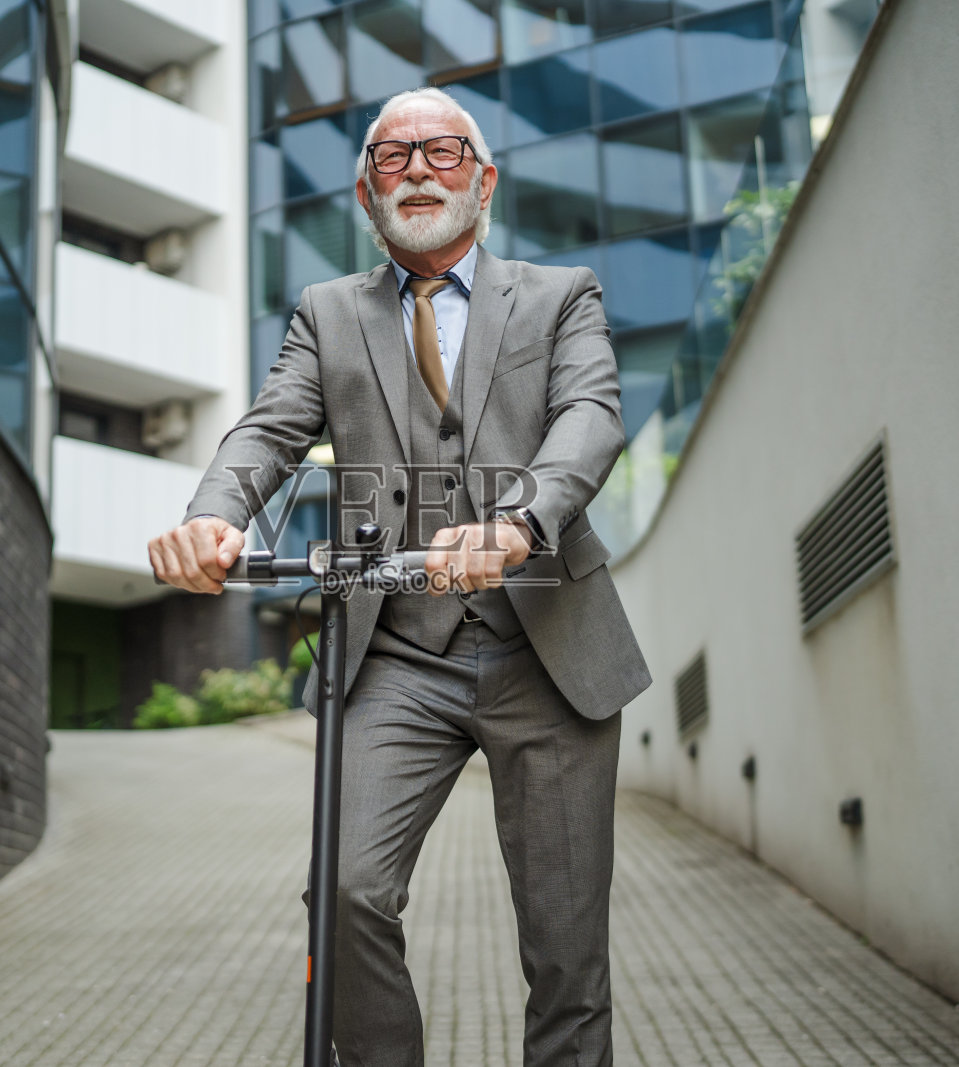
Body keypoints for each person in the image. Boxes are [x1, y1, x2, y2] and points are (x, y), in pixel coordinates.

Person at [148, 86, 652, 1067]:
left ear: (484, 179)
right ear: (364, 191)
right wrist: (212, 514)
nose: (417, 169)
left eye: (441, 152)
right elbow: (268, 429)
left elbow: (589, 417)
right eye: (391, 157)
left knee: (564, 951)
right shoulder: (328, 314)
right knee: (344, 892)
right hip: (395, 659)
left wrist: (519, 521)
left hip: (546, 654)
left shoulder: (560, 296)